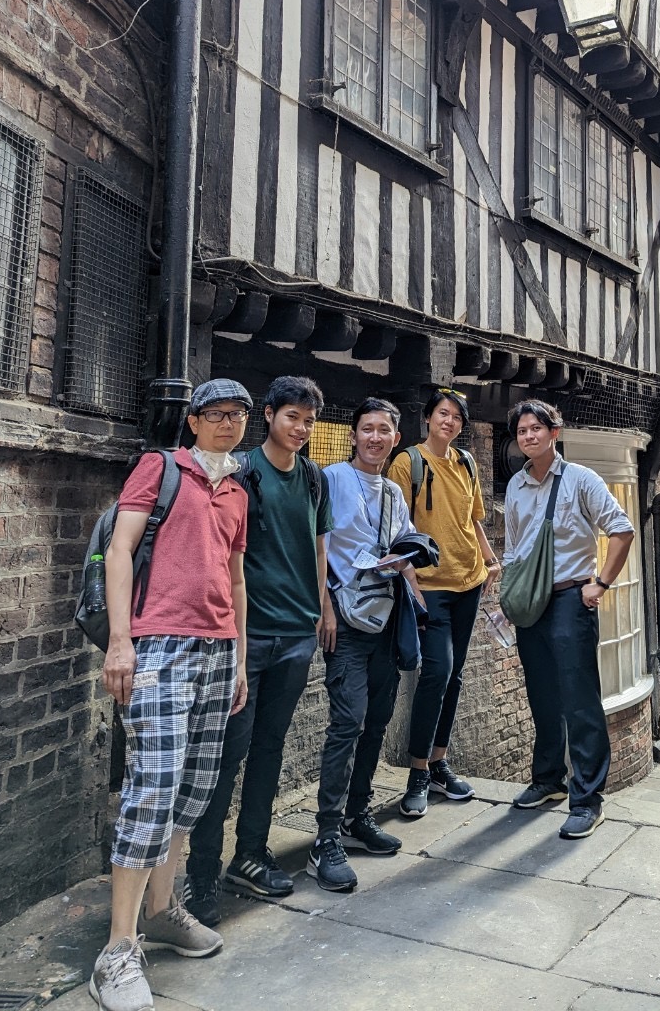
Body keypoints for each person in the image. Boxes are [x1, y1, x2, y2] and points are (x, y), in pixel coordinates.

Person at [92, 379, 252, 1011]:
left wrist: (238, 655)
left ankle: (163, 910)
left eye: (237, 416)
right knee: (152, 782)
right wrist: (120, 642)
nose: (227, 425)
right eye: (215, 415)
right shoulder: (160, 468)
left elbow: (235, 577)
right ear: (193, 422)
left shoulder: (238, 491)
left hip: (218, 649)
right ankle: (117, 951)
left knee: (194, 785)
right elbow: (119, 550)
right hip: (158, 646)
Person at [182, 376, 334, 925]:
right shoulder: (242, 473)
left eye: (309, 421)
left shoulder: (314, 478)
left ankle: (250, 854)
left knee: (270, 747)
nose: (301, 429)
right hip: (247, 636)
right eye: (293, 416)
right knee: (224, 756)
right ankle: (201, 876)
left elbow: (319, 548)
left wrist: (322, 610)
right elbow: (226, 557)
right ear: (268, 415)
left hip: (296, 634)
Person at [307, 398, 425, 892]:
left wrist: (412, 569)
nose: (375, 438)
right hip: (346, 619)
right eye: (367, 429)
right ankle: (326, 836)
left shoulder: (396, 492)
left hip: (386, 614)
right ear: (353, 434)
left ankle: (358, 816)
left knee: (376, 720)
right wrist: (325, 609)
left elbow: (400, 548)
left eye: (384, 430)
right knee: (347, 721)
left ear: (395, 439)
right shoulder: (332, 478)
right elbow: (318, 544)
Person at [504, 399, 634, 840]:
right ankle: (547, 781)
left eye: (536, 429)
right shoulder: (517, 485)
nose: (528, 437)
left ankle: (588, 799)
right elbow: (515, 545)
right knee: (541, 695)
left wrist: (600, 583)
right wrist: (509, 591)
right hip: (530, 604)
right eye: (522, 431)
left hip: (570, 599)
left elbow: (621, 529)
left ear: (554, 432)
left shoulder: (581, 479)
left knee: (579, 700)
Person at [388, 388, 501, 818]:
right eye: (442, 414)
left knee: (454, 676)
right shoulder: (408, 463)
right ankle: (417, 772)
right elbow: (399, 531)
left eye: (456, 417)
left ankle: (439, 762)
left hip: (468, 583)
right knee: (436, 672)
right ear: (429, 418)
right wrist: (412, 584)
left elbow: (471, 522)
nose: (449, 422)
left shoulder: (466, 462)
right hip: (430, 586)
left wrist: (491, 561)